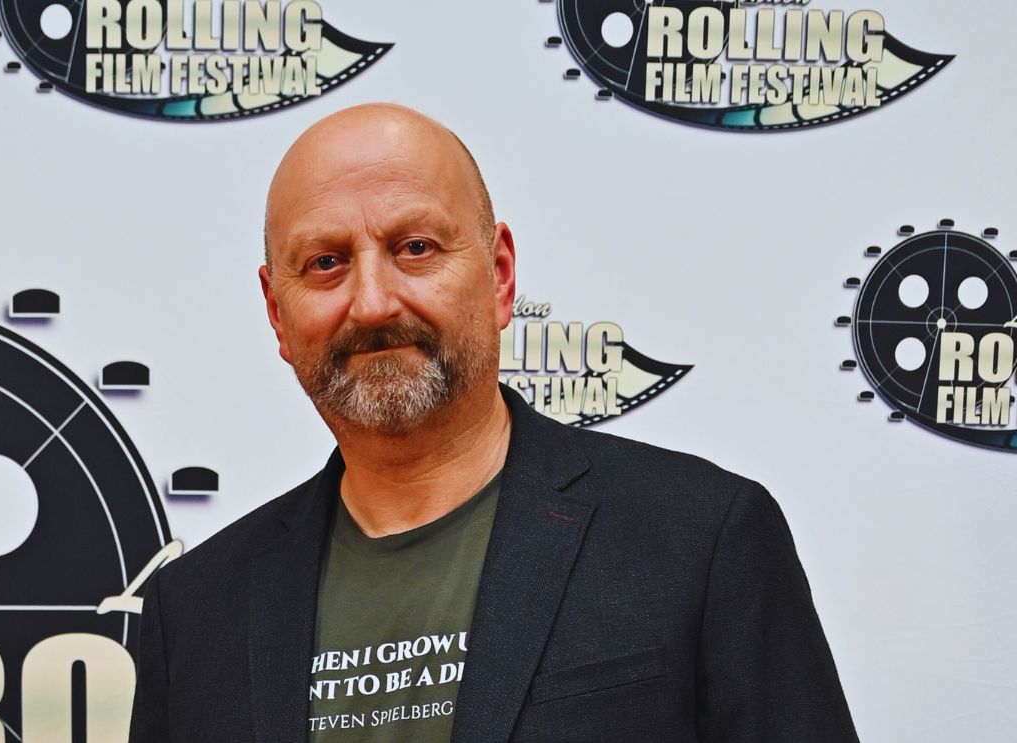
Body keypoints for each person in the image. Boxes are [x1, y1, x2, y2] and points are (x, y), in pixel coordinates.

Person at [128, 103, 858, 742]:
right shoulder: (191, 611)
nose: (373, 302)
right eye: (325, 262)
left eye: (415, 248)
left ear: (500, 275)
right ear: (276, 313)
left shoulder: (703, 537)